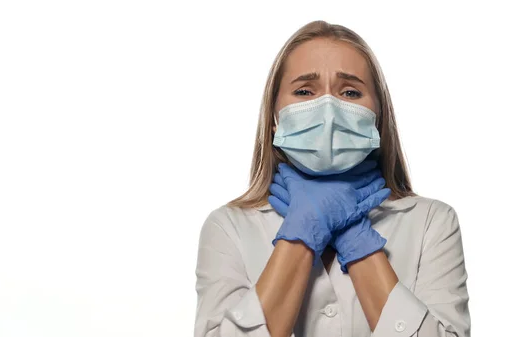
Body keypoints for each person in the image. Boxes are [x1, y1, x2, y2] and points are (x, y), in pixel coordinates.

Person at [194, 20, 470, 337]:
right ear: (274, 119)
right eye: (304, 91)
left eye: (350, 92)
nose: (328, 108)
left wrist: (358, 241)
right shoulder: (229, 227)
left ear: (378, 118)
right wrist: (303, 230)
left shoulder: (431, 222)